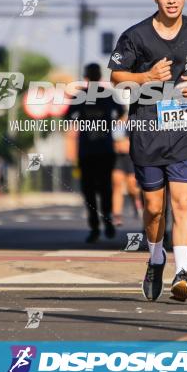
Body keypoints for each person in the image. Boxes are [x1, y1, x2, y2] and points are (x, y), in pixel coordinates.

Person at [108, 0, 187, 302]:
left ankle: (182, 272)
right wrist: (145, 77)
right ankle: (157, 256)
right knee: (155, 208)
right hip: (147, 131)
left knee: (184, 202)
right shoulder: (136, 36)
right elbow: (116, 76)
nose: (171, 1)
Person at [67, 63, 125, 242]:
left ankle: (101, 225)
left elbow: (68, 117)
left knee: (96, 189)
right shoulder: (102, 95)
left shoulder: (87, 95)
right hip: (94, 150)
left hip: (97, 150)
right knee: (94, 190)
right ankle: (99, 225)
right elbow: (121, 112)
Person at [112, 114, 142, 227]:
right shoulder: (113, 121)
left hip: (131, 157)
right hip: (118, 157)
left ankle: (137, 203)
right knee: (117, 184)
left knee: (132, 187)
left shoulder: (133, 119)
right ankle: (117, 215)